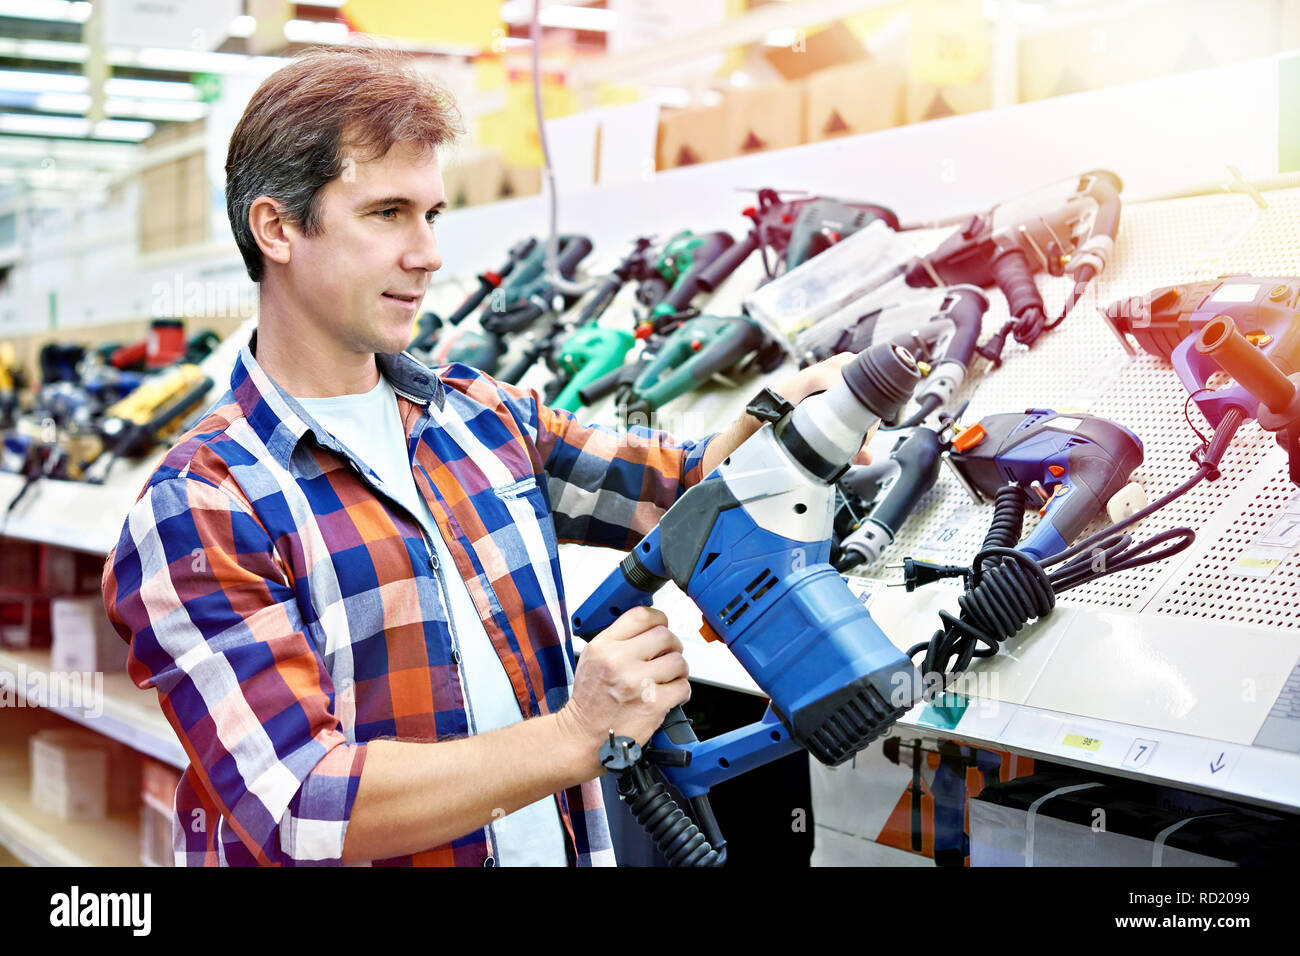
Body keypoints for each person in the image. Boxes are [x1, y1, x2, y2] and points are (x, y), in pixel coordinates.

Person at [103, 46, 869, 867]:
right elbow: (307, 805)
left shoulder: (477, 416)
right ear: (277, 227)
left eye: (433, 214)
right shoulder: (202, 504)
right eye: (388, 213)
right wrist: (578, 734)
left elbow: (690, 485)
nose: (429, 253)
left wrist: (802, 407)